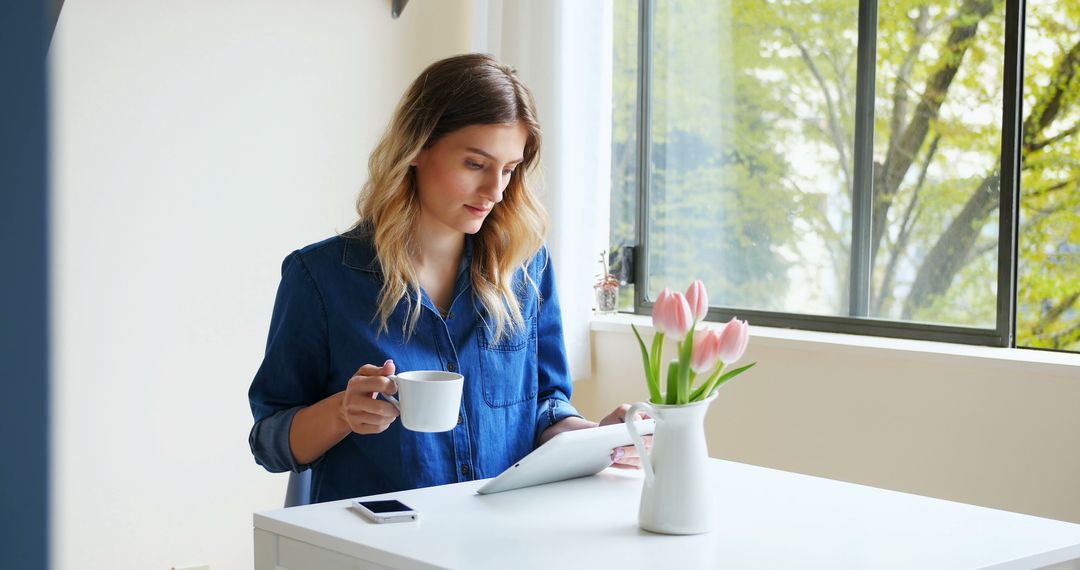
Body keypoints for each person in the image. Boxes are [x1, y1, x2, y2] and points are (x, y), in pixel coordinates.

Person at [247, 53, 642, 504]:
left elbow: (545, 408)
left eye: (509, 170)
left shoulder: (527, 269)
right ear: (417, 148)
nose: (495, 191)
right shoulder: (319, 278)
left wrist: (599, 439)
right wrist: (342, 412)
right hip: (379, 543)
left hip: (501, 536)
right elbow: (270, 442)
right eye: (475, 164)